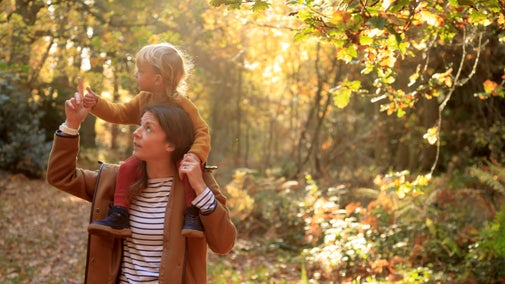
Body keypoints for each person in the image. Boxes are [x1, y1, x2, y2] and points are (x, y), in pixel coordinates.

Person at [46, 93, 236, 283]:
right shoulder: (117, 180)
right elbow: (61, 176)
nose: (135, 133)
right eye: (139, 125)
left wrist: (200, 188)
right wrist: (71, 125)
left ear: (171, 143)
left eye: (148, 128)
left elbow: (224, 244)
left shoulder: (196, 184)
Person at [81, 42, 211, 238]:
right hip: (152, 156)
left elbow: (202, 130)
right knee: (126, 168)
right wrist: (97, 104)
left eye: (141, 71)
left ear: (158, 79)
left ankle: (192, 215)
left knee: (188, 171)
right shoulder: (144, 99)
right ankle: (120, 214)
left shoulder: (182, 104)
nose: (135, 75)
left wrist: (195, 155)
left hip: (179, 154)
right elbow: (121, 113)